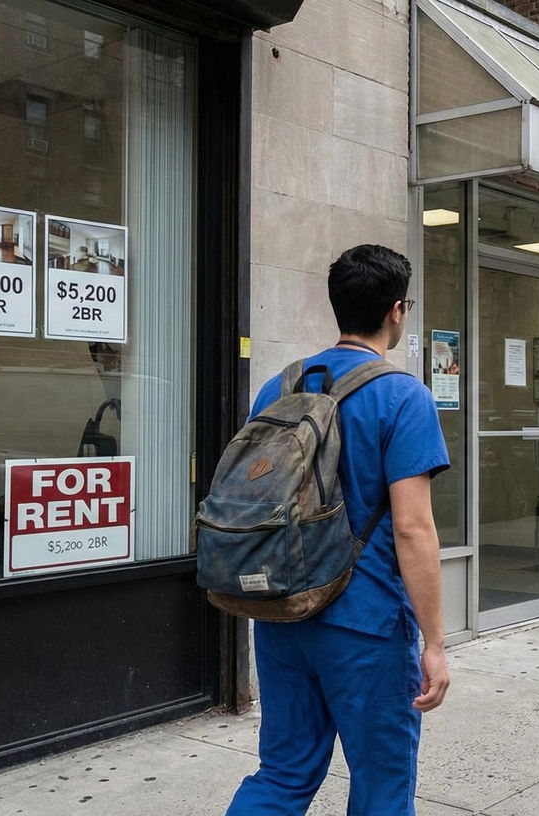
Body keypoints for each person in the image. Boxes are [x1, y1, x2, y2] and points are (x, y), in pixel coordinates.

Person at [225, 244, 451, 816]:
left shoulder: (278, 387)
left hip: (281, 610)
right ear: (397, 310)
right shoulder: (403, 396)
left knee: (283, 771)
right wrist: (436, 644)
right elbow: (413, 530)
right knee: (381, 781)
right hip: (365, 621)